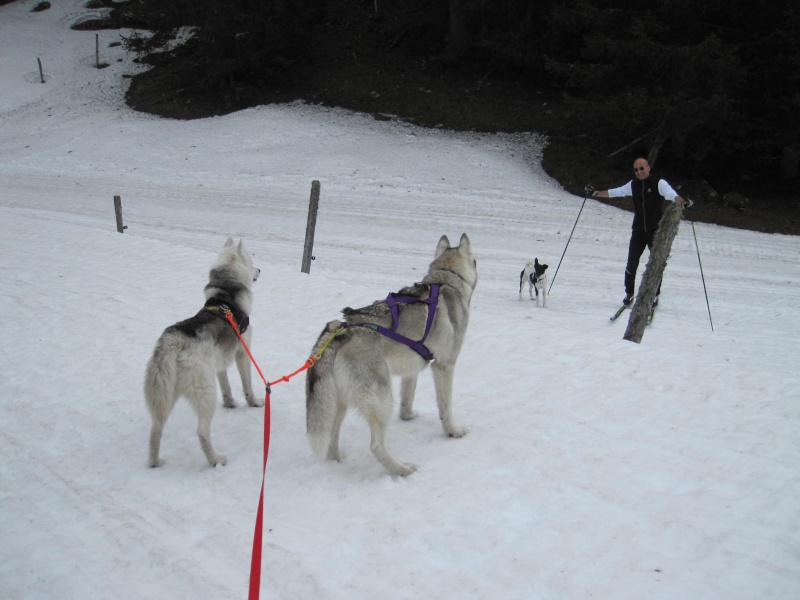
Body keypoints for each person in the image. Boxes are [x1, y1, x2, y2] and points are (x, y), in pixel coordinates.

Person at [585, 157, 686, 307]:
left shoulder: (659, 183)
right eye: (636, 169)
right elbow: (616, 192)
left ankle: (654, 295)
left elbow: (671, 194)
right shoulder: (633, 185)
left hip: (655, 232)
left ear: (648, 168)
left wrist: (683, 202)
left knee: (655, 265)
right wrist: (595, 193)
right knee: (631, 264)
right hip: (638, 232)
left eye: (641, 168)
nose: (639, 172)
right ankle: (629, 293)